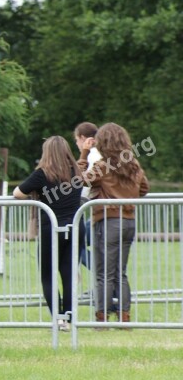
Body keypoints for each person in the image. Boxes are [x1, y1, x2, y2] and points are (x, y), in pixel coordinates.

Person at [78, 123, 149, 326]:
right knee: (121, 272)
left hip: (107, 221)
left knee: (103, 273)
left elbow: (80, 180)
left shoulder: (103, 165)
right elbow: (144, 188)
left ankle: (102, 317)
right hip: (129, 221)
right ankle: (124, 316)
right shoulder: (133, 164)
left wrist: (84, 154)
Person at [13, 136, 85, 331]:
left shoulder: (42, 174)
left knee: (48, 276)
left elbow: (17, 193)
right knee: (69, 274)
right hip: (75, 228)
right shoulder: (77, 171)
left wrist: (37, 195)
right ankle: (69, 319)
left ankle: (58, 319)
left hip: (50, 229)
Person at [74, 122, 102, 271]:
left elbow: (82, 182)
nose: (77, 144)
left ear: (83, 138)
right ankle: (102, 284)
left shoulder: (92, 156)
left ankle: (102, 278)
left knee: (76, 243)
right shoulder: (100, 154)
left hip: (101, 210)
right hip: (104, 210)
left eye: (77, 140)